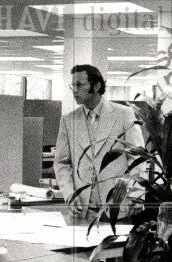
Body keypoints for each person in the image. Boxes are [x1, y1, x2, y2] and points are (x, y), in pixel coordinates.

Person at [55, 64, 145, 219]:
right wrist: (70, 195)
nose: (74, 91)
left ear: (96, 85)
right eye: (72, 86)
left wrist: (136, 195)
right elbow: (61, 163)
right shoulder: (68, 120)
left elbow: (138, 159)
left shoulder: (124, 114)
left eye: (79, 85)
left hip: (116, 207)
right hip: (82, 209)